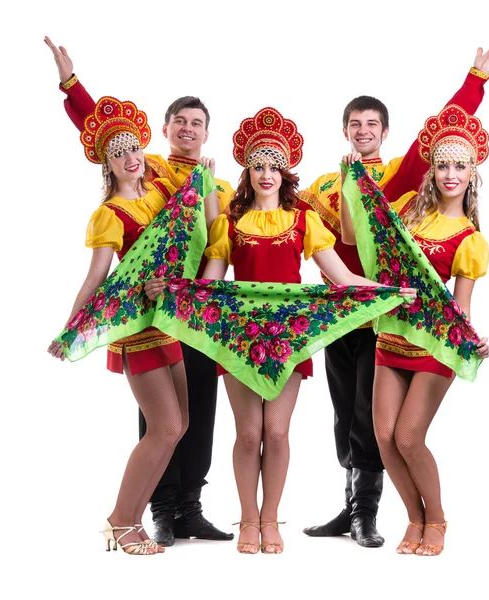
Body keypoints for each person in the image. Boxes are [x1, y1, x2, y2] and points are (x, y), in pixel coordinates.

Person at [146, 107, 415, 554]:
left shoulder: (304, 220)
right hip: (237, 337)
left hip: (289, 338)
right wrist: (171, 288)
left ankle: (271, 519)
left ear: (284, 172)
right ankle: (248, 520)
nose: (266, 174)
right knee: (248, 434)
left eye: (274, 165)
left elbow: (342, 280)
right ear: (247, 172)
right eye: (258, 165)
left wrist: (388, 290)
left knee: (276, 433)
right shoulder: (227, 224)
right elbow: (210, 284)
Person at [300, 32, 489, 548]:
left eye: (373, 124)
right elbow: (288, 214)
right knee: (345, 407)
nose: (364, 131)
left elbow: (439, 143)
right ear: (345, 131)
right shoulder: (328, 182)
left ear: (384, 131)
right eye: (356, 124)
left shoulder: (399, 182)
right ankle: (350, 505)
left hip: (393, 313)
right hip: (338, 308)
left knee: (386, 427)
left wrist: (474, 81)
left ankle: (369, 514)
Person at [44, 36, 234, 545]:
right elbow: (106, 137)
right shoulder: (152, 173)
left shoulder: (220, 186)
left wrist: (205, 290)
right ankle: (157, 512)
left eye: (198, 123)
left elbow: (225, 241)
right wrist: (72, 85)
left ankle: (189, 507)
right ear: (168, 130)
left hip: (198, 306)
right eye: (181, 122)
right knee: (162, 420)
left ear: (207, 133)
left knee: (193, 415)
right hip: (148, 311)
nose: (189, 129)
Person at [369, 105, 489, 556]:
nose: (450, 174)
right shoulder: (406, 214)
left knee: (407, 437)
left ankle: (436, 519)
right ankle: (414, 519)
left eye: (460, 166)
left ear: (472, 174)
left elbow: (461, 305)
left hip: (435, 343)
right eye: (442, 165)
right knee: (383, 437)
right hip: (391, 337)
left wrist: (471, 339)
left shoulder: (468, 238)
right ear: (432, 171)